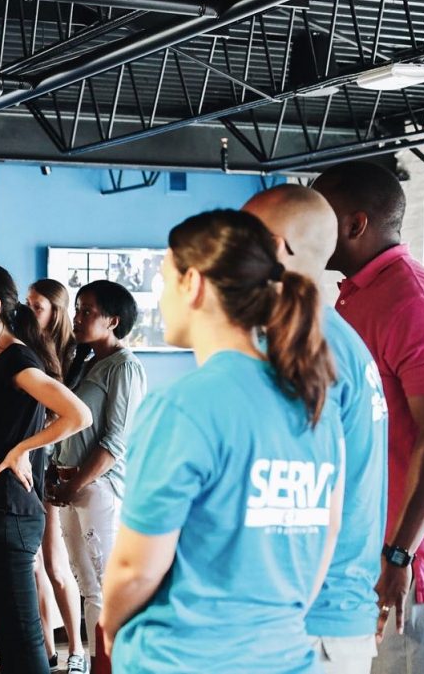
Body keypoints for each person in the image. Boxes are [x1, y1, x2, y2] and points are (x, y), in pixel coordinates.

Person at [100, 210, 344, 673]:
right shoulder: (316, 406)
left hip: (182, 659)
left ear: (192, 284)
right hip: (286, 657)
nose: (159, 293)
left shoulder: (182, 406)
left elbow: (136, 568)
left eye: (162, 277)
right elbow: (326, 535)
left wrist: (111, 628)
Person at [313, 162, 424, 674]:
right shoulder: (359, 295)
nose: (312, 227)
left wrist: (400, 555)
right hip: (367, 550)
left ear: (355, 225)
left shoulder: (412, 300)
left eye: (322, 215)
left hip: (408, 562)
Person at [244, 184, 389, 674]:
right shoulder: (335, 337)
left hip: (304, 621)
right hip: (322, 619)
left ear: (279, 247)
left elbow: (285, 498)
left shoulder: (303, 349)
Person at [0, 263, 91, 674]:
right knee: (7, 633)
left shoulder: (17, 361)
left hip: (9, 514)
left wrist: (24, 450)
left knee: (24, 636)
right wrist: (26, 445)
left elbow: (77, 413)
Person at [52, 280, 146, 671]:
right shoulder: (87, 361)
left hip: (98, 488)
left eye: (87, 310)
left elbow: (115, 442)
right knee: (88, 585)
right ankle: (94, 661)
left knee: (105, 587)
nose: (77, 316)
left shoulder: (125, 366)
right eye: (77, 308)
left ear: (114, 320)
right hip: (71, 485)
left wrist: (74, 484)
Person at [26, 278, 86, 672]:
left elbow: (79, 416)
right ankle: (46, 651)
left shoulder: (78, 358)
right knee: (34, 566)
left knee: (56, 566)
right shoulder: (27, 354)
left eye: (37, 307)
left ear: (57, 311)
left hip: (60, 469)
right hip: (34, 465)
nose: (30, 314)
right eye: (28, 305)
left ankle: (77, 650)